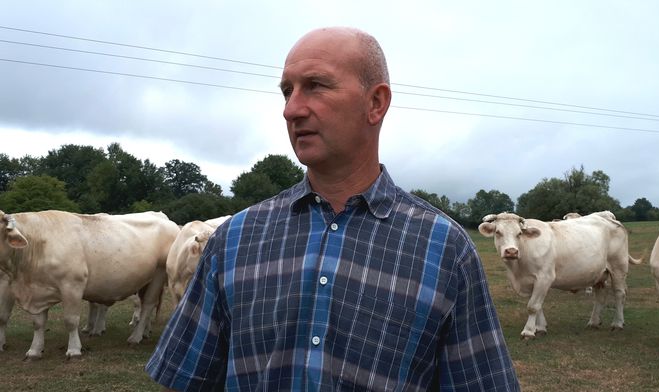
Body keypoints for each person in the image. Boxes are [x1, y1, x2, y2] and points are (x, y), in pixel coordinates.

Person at [146, 26, 520, 391]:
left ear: (375, 103)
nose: (291, 110)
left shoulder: (445, 250)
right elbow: (189, 377)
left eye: (315, 86)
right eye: (287, 91)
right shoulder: (234, 240)